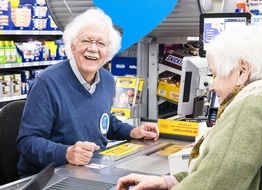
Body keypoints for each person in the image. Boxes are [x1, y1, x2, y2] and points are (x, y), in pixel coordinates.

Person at [116, 24, 262, 190]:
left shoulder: (253, 104)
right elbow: (228, 172)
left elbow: (214, 184)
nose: (212, 86)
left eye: (215, 75)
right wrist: (169, 181)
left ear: (242, 71)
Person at [16, 8, 159, 178]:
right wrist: (67, 153)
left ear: (108, 51)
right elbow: (27, 142)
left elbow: (104, 120)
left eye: (100, 43)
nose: (93, 48)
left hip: (91, 171)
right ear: (73, 45)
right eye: (86, 40)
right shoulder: (47, 83)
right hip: (49, 177)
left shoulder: (107, 80)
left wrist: (133, 131)